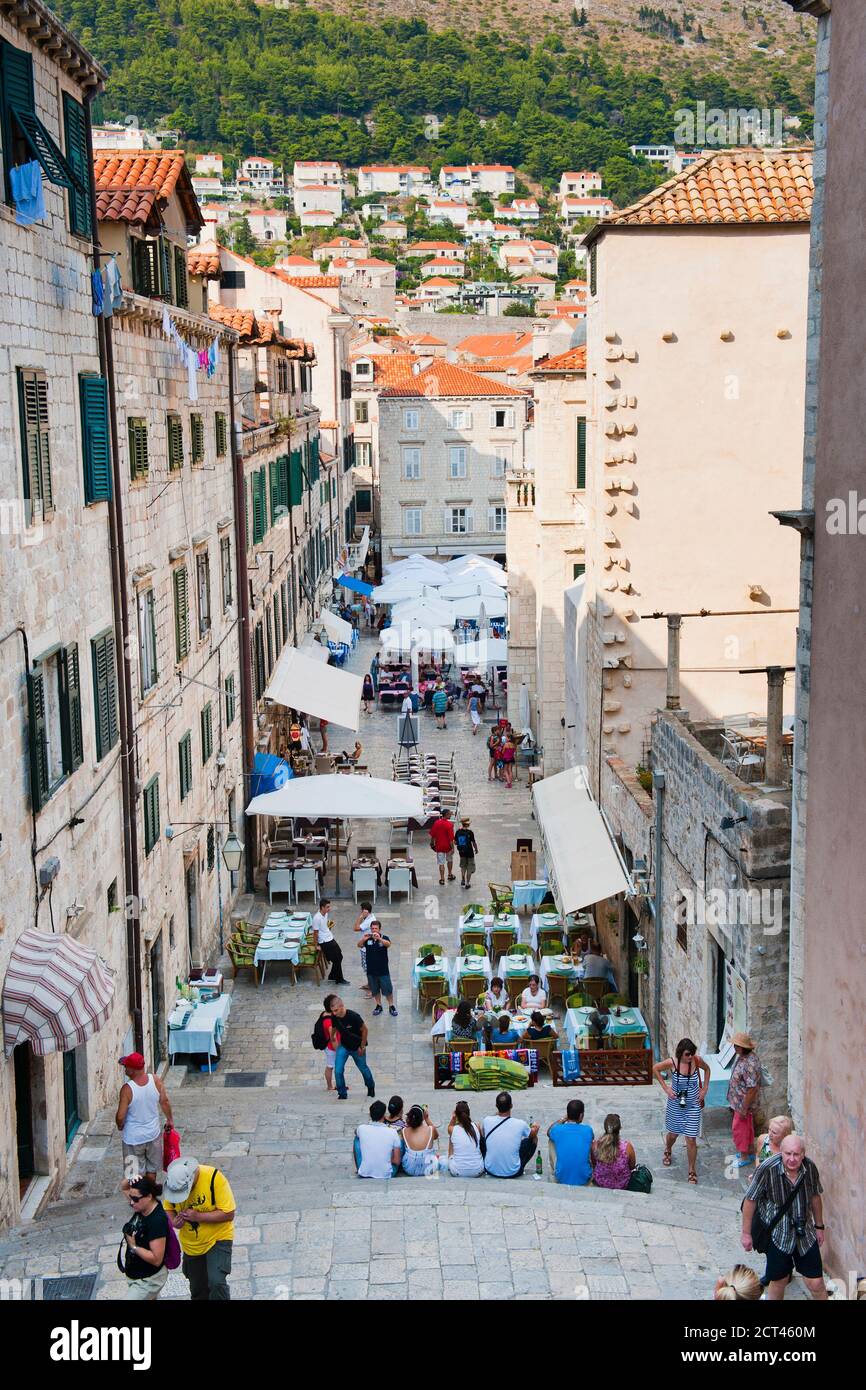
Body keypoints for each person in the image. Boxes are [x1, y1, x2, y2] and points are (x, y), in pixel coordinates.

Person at [741, 1135, 828, 1301]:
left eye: (796, 1154)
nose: (792, 1159)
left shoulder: (810, 1168)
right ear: (781, 1152)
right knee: (779, 1280)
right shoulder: (767, 1168)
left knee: (816, 1282)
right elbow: (750, 1199)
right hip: (778, 1233)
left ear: (803, 1154)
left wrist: (819, 1226)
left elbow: (815, 1197)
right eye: (788, 1154)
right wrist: (746, 1233)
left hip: (805, 1233)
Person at [163, 1156, 235, 1301]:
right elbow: (168, 1208)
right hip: (192, 1245)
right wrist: (174, 1222)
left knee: (216, 1282)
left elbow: (229, 1213)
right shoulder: (173, 1183)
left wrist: (199, 1217)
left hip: (218, 1238)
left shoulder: (214, 1178)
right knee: (198, 1289)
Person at [654, 1038, 711, 1185]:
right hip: (676, 1105)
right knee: (673, 1134)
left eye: (692, 1053)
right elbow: (655, 1068)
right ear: (680, 1053)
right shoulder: (672, 1063)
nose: (690, 1057)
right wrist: (666, 1088)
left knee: (691, 1139)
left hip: (693, 1105)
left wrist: (704, 1089)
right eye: (687, 1054)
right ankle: (668, 1148)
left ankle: (692, 1170)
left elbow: (707, 1069)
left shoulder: (696, 1061)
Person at [115, 1051, 174, 1182]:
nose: (124, 1069)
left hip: (133, 1139)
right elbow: (164, 1102)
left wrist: (120, 1125)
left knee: (133, 1173)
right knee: (152, 1170)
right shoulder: (155, 1080)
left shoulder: (127, 1089)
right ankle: (149, 1196)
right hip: (153, 1134)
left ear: (132, 1070)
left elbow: (120, 1116)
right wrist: (170, 1120)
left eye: (126, 1067)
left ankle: (138, 1199)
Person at [119, 1174, 170, 1301]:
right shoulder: (141, 1206)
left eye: (135, 1199)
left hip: (148, 1280)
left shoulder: (156, 1221)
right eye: (131, 1198)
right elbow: (124, 1187)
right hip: (136, 1276)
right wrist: (132, 1178)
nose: (131, 1202)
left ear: (149, 1196)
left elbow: (156, 1258)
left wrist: (133, 1246)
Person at [482, 1092, 539, 1179]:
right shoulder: (520, 1123)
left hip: (490, 1170)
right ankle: (521, 1166)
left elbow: (483, 1135)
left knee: (484, 1139)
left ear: (496, 1106)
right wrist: (536, 1127)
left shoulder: (486, 1120)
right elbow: (532, 1134)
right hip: (512, 1172)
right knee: (533, 1139)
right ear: (511, 1106)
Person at [329, 995, 376, 1100]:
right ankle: (342, 1093)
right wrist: (332, 1036)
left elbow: (365, 1030)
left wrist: (362, 1046)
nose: (334, 1013)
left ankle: (371, 1087)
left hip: (357, 1047)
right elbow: (335, 1026)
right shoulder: (334, 1016)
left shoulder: (354, 1016)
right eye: (332, 1011)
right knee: (338, 1070)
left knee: (363, 1068)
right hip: (344, 1046)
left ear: (342, 1006)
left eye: (336, 1010)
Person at [727, 1031, 763, 1166]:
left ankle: (743, 1157)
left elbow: (752, 1088)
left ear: (742, 1047)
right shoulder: (743, 1057)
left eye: (736, 1045)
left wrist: (744, 1107)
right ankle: (749, 1151)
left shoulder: (749, 1063)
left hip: (743, 1103)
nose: (734, 1047)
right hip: (739, 1102)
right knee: (747, 1127)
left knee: (739, 1128)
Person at [548, 1099, 594, 1187]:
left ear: (568, 1114)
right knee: (590, 1142)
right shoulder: (588, 1130)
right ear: (581, 1115)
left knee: (552, 1139)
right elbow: (592, 1138)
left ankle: (557, 1169)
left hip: (561, 1177)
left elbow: (549, 1131)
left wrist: (564, 1119)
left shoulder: (557, 1129)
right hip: (584, 1178)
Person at [358, 920, 397, 1017]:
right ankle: (379, 1005)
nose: (374, 930)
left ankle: (391, 1005)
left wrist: (379, 939)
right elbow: (359, 945)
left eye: (376, 928)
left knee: (388, 990)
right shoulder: (368, 939)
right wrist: (363, 939)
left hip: (383, 970)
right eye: (372, 928)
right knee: (375, 990)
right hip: (371, 971)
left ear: (379, 929)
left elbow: (388, 944)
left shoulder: (384, 938)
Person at [354, 1101, 402, 1178]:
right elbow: (396, 1161)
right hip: (386, 1173)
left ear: (370, 1115)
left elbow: (355, 1132)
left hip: (365, 1172)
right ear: (384, 1116)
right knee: (399, 1142)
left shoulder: (361, 1128)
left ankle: (360, 1167)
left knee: (357, 1139)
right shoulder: (392, 1132)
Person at [590, 1113, 637, 1190]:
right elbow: (632, 1166)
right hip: (622, 1183)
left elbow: (594, 1163)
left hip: (601, 1182)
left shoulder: (595, 1145)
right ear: (620, 1128)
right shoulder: (627, 1147)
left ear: (605, 1128)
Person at [312, 898, 349, 985]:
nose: (329, 908)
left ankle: (332, 975)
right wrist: (316, 945)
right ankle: (339, 979)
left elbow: (323, 927)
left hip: (329, 937)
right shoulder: (316, 918)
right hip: (325, 941)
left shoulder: (325, 914)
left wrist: (329, 925)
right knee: (337, 958)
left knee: (339, 956)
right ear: (322, 907)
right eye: (327, 907)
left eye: (329, 906)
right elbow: (315, 933)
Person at [448, 1101, 484, 1178]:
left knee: (451, 1137)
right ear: (469, 1114)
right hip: (477, 1170)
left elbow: (450, 1125)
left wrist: (454, 1117)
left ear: (456, 1114)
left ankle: (450, 1157)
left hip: (457, 1171)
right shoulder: (476, 1126)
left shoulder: (452, 1129)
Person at [401, 1105, 439, 1176]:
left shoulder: (404, 1131)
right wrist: (427, 1118)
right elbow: (436, 1136)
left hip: (410, 1169)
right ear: (422, 1118)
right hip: (429, 1168)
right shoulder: (431, 1129)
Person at [317, 995, 340, 1092]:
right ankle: (330, 1086)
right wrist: (338, 1051)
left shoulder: (324, 1014)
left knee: (332, 1066)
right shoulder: (329, 1021)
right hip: (331, 1048)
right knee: (330, 1066)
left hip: (329, 1046)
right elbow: (333, 1038)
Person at [353, 900, 376, 997]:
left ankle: (372, 989)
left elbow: (355, 928)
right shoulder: (370, 917)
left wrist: (360, 917)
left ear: (365, 911)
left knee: (369, 970)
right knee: (366, 968)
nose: (361, 912)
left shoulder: (369, 921)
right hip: (364, 948)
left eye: (361, 911)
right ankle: (369, 984)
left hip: (367, 949)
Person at [429, 809, 456, 885]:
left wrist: (432, 843)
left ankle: (442, 879)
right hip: (448, 847)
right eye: (450, 814)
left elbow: (433, 835)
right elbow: (451, 839)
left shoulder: (436, 823)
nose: (451, 815)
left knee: (441, 863)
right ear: (446, 814)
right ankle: (450, 874)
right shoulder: (449, 825)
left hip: (439, 846)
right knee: (449, 860)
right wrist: (453, 848)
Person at [455, 817, 478, 889]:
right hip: (470, 852)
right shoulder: (470, 832)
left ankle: (462, 879)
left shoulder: (458, 832)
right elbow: (473, 842)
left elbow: (455, 842)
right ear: (467, 825)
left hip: (461, 852)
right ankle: (467, 883)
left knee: (463, 866)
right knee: (469, 867)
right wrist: (476, 849)